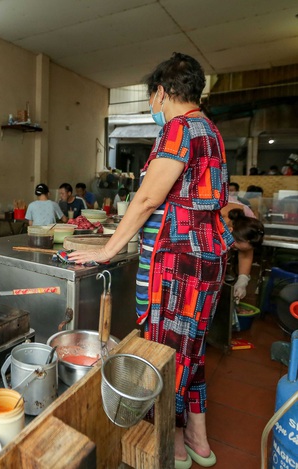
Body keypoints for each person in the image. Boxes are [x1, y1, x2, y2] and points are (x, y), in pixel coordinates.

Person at [68, 52, 232, 469]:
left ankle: (170, 441)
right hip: (206, 257)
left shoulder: (179, 129)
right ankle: (198, 437)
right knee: (190, 349)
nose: (152, 108)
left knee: (166, 353)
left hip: (178, 264)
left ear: (161, 93)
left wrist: (107, 250)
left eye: (151, 100)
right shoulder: (209, 130)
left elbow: (146, 198)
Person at [221, 207, 264, 302]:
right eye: (235, 247)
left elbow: (246, 251)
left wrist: (242, 280)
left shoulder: (249, 224)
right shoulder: (213, 217)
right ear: (230, 230)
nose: (233, 250)